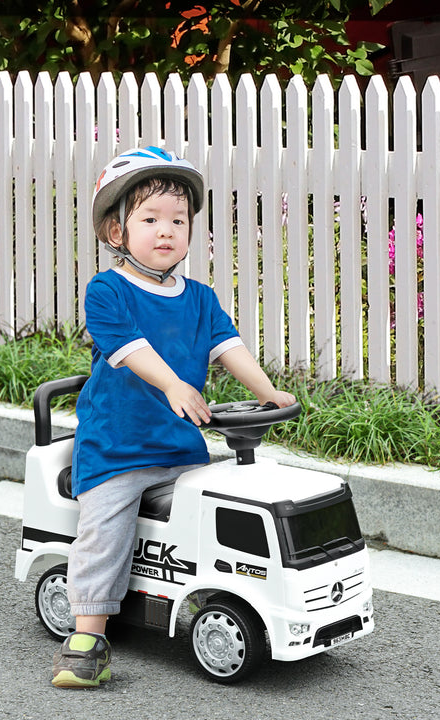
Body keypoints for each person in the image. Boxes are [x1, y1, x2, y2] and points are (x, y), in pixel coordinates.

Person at [51, 145, 296, 688]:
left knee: (229, 506)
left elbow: (229, 347)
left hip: (182, 450)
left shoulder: (201, 298)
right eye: (150, 219)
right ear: (117, 232)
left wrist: (268, 390)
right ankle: (87, 639)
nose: (167, 231)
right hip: (117, 450)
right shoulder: (107, 291)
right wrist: (174, 383)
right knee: (106, 528)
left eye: (178, 221)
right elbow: (130, 350)